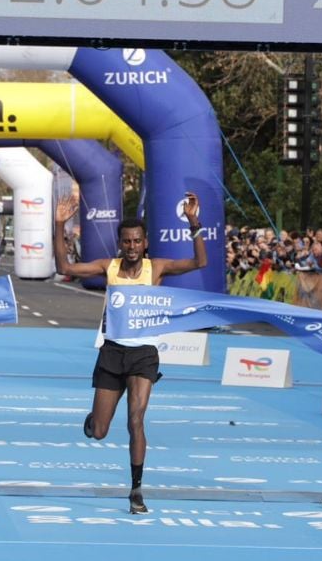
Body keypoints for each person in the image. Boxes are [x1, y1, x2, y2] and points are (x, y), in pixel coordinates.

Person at [53, 192, 207, 515]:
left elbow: (199, 262)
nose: (132, 246)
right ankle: (94, 419)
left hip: (144, 355)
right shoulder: (108, 267)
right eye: (127, 241)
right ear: (120, 244)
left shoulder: (157, 268)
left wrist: (194, 223)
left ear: (145, 243)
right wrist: (59, 225)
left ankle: (136, 490)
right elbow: (64, 266)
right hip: (112, 353)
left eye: (137, 241)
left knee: (136, 420)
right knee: (100, 431)